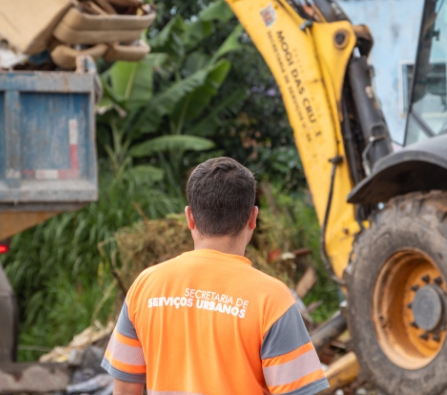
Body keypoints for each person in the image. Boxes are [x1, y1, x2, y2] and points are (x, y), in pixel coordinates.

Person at [101, 157, 329, 395]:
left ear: (189, 217)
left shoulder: (145, 287)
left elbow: (126, 387)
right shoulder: (272, 300)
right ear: (253, 218)